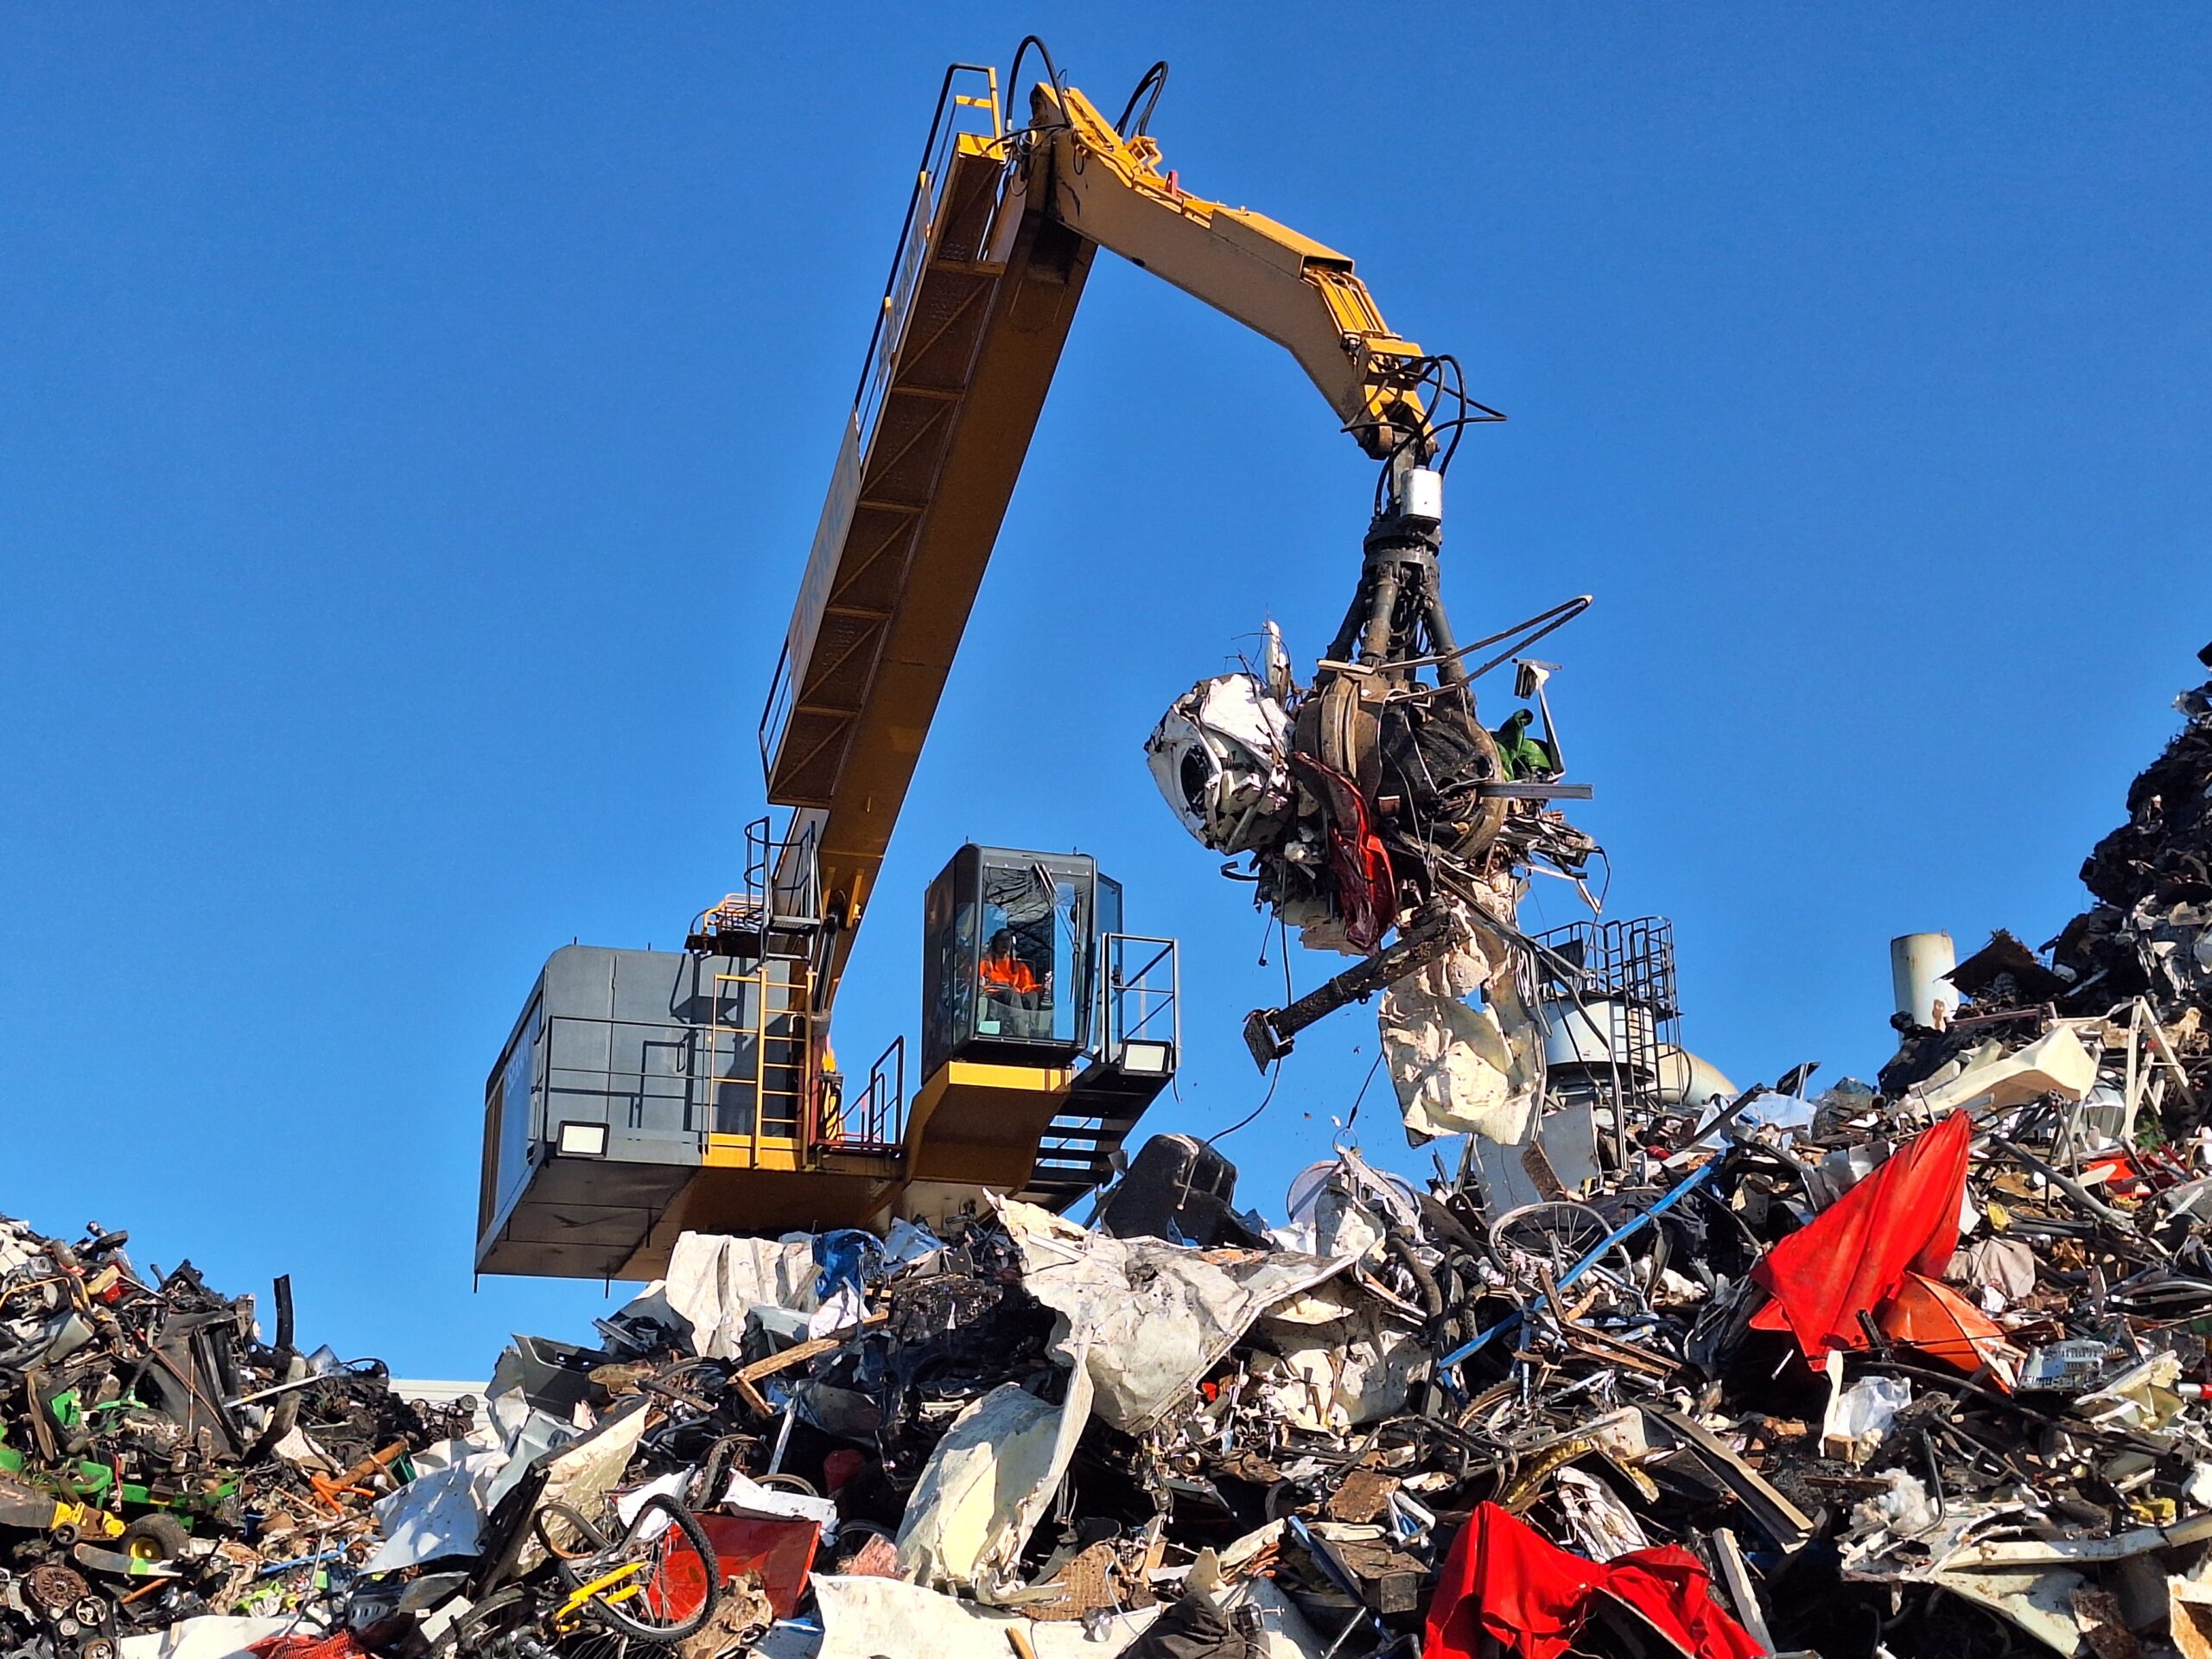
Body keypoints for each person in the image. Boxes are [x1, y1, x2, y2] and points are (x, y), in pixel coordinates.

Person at [980, 928, 1044, 1038]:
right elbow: (973, 982)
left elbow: (1027, 987)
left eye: (1007, 940)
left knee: (1032, 996)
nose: (1005, 942)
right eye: (1001, 940)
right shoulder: (985, 964)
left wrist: (1043, 987)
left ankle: (1031, 1028)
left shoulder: (1019, 967)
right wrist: (980, 983)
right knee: (1012, 994)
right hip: (994, 996)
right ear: (995, 943)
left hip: (1014, 997)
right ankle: (1021, 1033)